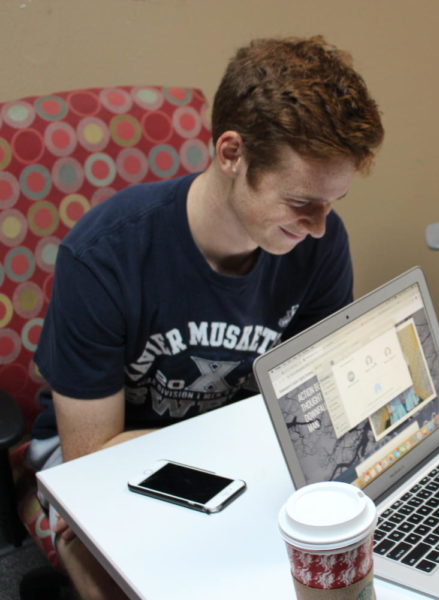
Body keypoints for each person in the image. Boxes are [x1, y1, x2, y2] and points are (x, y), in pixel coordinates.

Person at [28, 36, 384, 600]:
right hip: (111, 458)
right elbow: (88, 460)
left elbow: (316, 400)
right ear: (231, 153)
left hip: (240, 453)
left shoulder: (319, 244)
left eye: (332, 203)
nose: (318, 226)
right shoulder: (103, 257)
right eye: (301, 203)